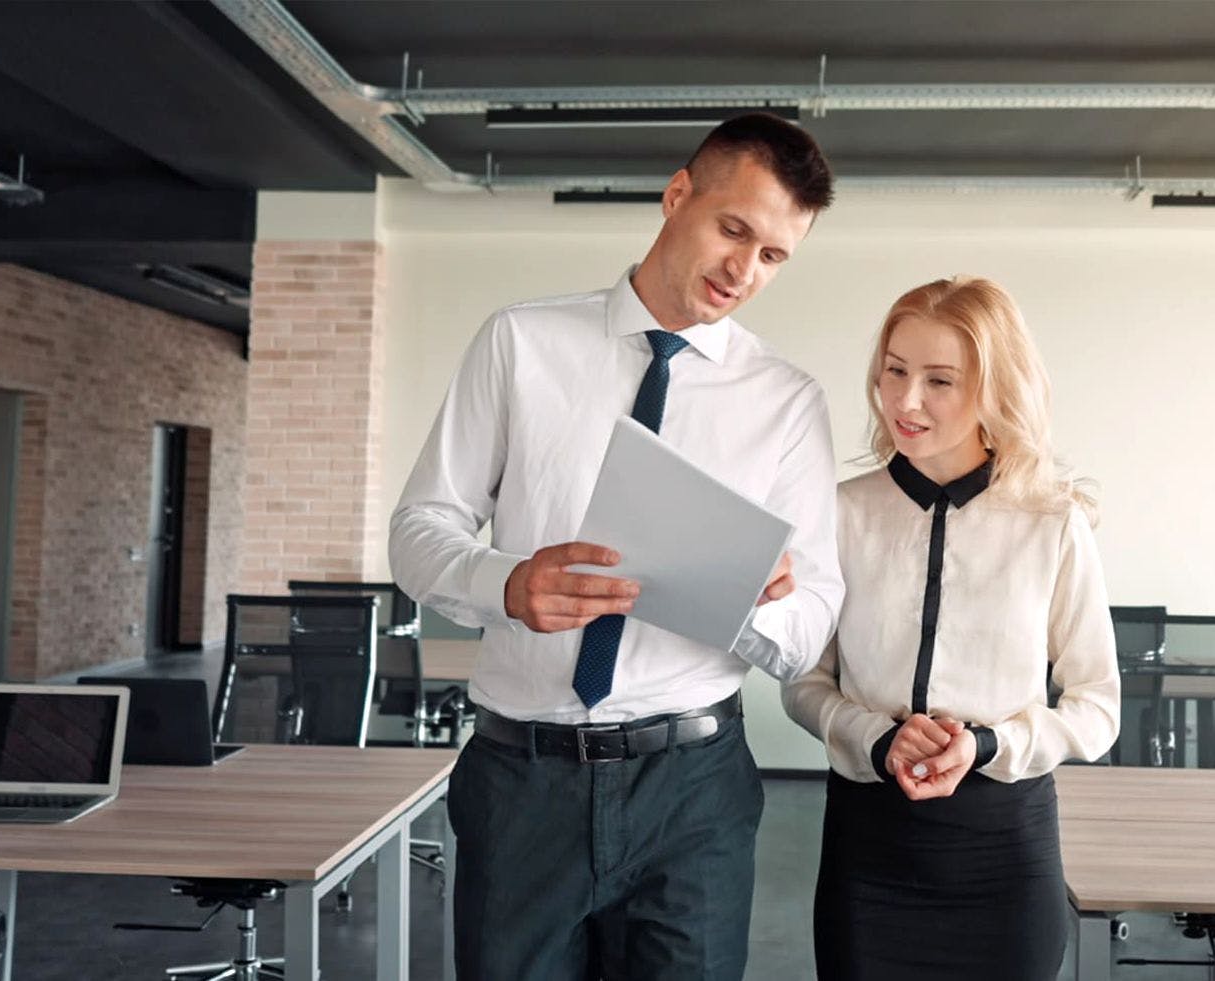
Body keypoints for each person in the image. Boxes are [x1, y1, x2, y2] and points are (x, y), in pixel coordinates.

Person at [389, 113, 845, 980]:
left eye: (773, 255)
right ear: (678, 196)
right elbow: (418, 531)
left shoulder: (787, 401)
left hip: (694, 790)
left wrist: (756, 604)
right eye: (732, 229)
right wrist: (505, 581)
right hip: (520, 782)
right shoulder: (520, 343)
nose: (743, 271)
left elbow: (810, 625)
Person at [782, 277, 1120, 980]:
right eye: (895, 370)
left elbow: (1097, 707)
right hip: (868, 853)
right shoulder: (838, 512)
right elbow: (803, 681)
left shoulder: (1052, 523)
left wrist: (990, 742)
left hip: (1003, 854)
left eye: (939, 380)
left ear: (994, 389)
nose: (906, 400)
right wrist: (874, 736)